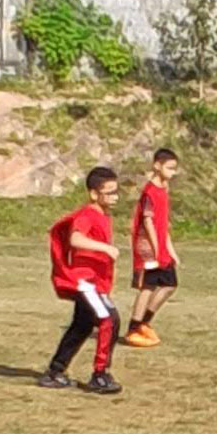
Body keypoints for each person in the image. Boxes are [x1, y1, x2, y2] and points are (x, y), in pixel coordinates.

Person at [38, 167, 124, 395]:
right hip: (85, 281)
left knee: (82, 326)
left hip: (95, 281)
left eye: (117, 191)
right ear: (94, 194)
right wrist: (105, 248)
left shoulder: (104, 216)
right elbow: (76, 239)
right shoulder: (87, 214)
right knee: (109, 319)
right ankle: (100, 374)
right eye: (109, 192)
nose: (115, 196)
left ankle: (55, 372)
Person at [123, 149, 181, 347]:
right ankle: (134, 328)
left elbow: (163, 224)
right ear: (157, 166)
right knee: (147, 287)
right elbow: (148, 222)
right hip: (147, 248)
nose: (173, 172)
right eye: (170, 168)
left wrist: (170, 250)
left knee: (169, 284)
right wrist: (156, 249)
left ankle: (144, 322)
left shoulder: (163, 190)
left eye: (175, 169)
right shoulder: (149, 192)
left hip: (160, 247)